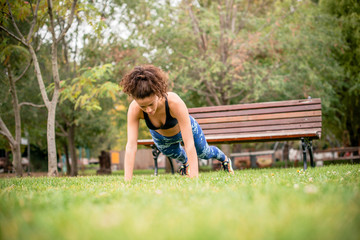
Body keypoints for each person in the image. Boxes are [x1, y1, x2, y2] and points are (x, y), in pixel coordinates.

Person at [120, 65, 234, 181]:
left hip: (184, 130)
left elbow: (189, 143)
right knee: (174, 154)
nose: (148, 110)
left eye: (150, 104)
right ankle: (185, 163)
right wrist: (127, 181)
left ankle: (225, 160)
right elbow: (131, 145)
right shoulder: (134, 109)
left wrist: (194, 179)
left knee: (204, 153)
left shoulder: (174, 102)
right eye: (143, 106)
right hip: (161, 137)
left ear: (158, 94)